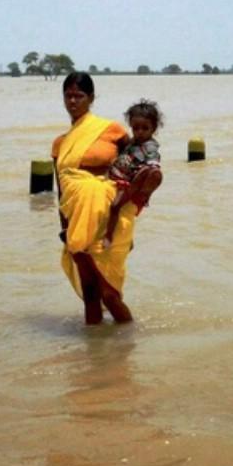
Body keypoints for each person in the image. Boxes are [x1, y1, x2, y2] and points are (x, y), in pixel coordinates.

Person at [53, 72, 159, 325]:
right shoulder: (60, 144)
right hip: (78, 220)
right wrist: (65, 228)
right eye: (68, 96)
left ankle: (126, 345)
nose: (73, 101)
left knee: (109, 294)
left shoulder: (112, 131)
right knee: (90, 293)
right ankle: (96, 357)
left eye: (79, 96)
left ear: (91, 98)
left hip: (112, 215)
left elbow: (132, 170)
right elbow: (62, 191)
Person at [103, 100, 163, 248]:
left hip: (130, 183)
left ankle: (108, 237)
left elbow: (154, 160)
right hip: (118, 176)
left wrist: (152, 169)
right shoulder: (132, 143)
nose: (140, 132)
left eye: (145, 128)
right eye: (136, 128)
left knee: (115, 207)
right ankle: (128, 240)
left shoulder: (150, 147)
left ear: (153, 128)